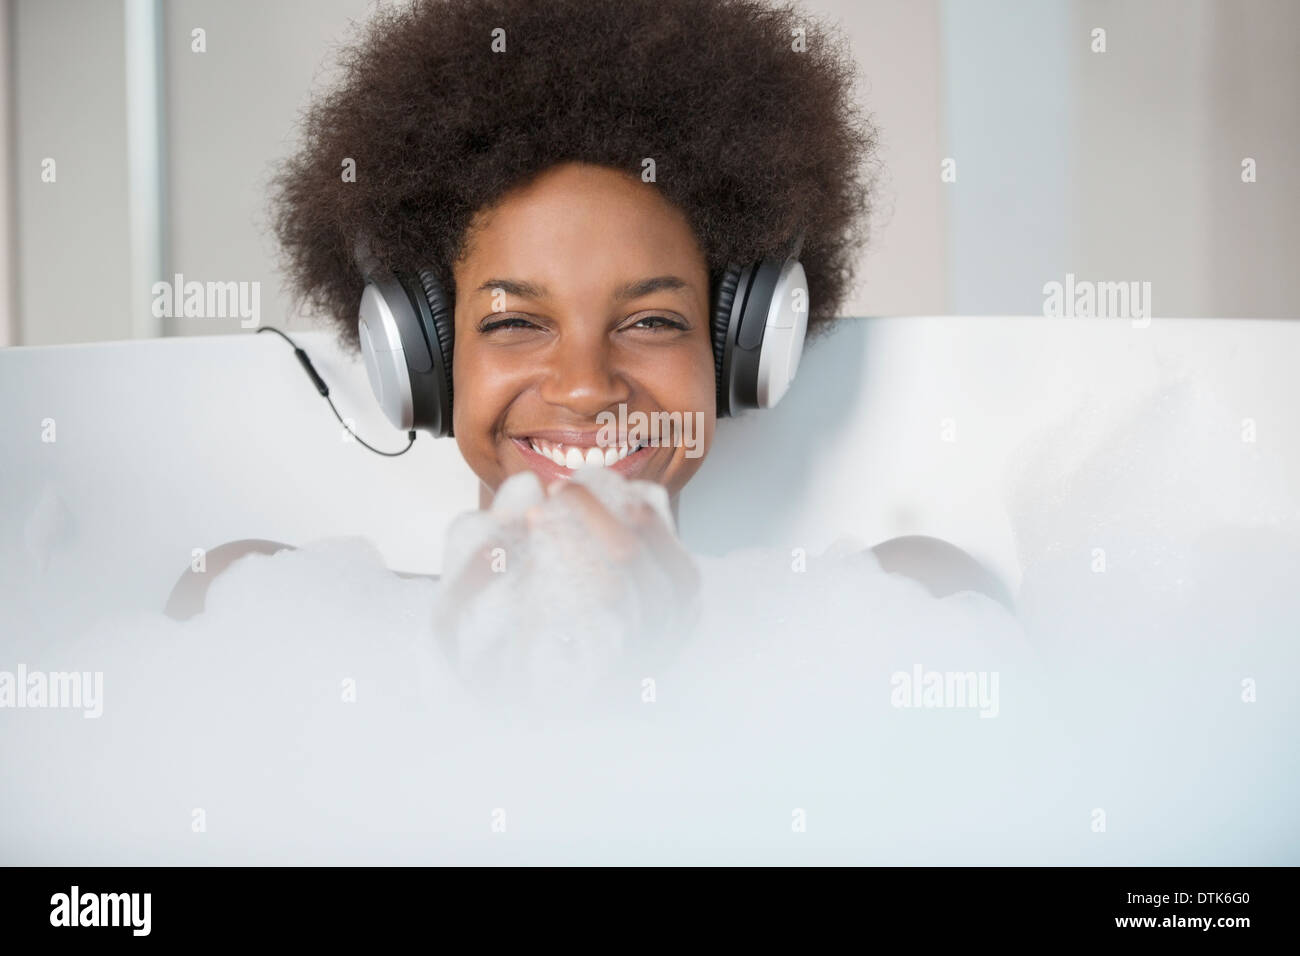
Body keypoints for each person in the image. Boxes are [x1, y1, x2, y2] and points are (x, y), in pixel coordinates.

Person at [166, 0, 1011, 621]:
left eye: (650, 321)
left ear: (743, 344)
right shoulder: (252, 614)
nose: (584, 388)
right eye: (514, 322)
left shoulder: (913, 610)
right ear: (423, 357)